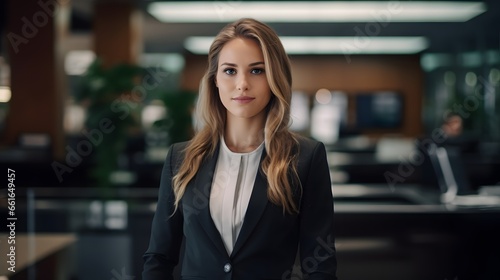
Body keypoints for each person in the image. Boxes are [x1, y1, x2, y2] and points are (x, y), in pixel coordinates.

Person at [142, 18, 337, 280]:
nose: (242, 83)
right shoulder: (181, 158)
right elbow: (159, 257)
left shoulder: (305, 158)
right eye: (230, 71)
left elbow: (320, 265)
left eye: (257, 70)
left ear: (274, 78)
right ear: (215, 80)